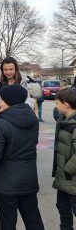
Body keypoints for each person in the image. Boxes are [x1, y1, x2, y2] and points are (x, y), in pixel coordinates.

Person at [0, 85, 44, 230]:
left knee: (8, 223)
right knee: (33, 220)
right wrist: (2, 115)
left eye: (1, 99)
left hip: (6, 184)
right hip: (28, 180)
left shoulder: (1, 124)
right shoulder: (33, 119)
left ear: (9, 101)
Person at [0, 57, 37, 132]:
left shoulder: (25, 82)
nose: (8, 72)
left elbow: (29, 105)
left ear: (16, 69)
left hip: (17, 122)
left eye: (11, 69)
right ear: (2, 70)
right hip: (0, 121)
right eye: (5, 70)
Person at [52, 88, 76, 230]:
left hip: (71, 179)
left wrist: (67, 170)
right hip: (64, 179)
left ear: (65, 104)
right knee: (63, 208)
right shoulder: (64, 120)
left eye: (57, 103)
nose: (55, 106)